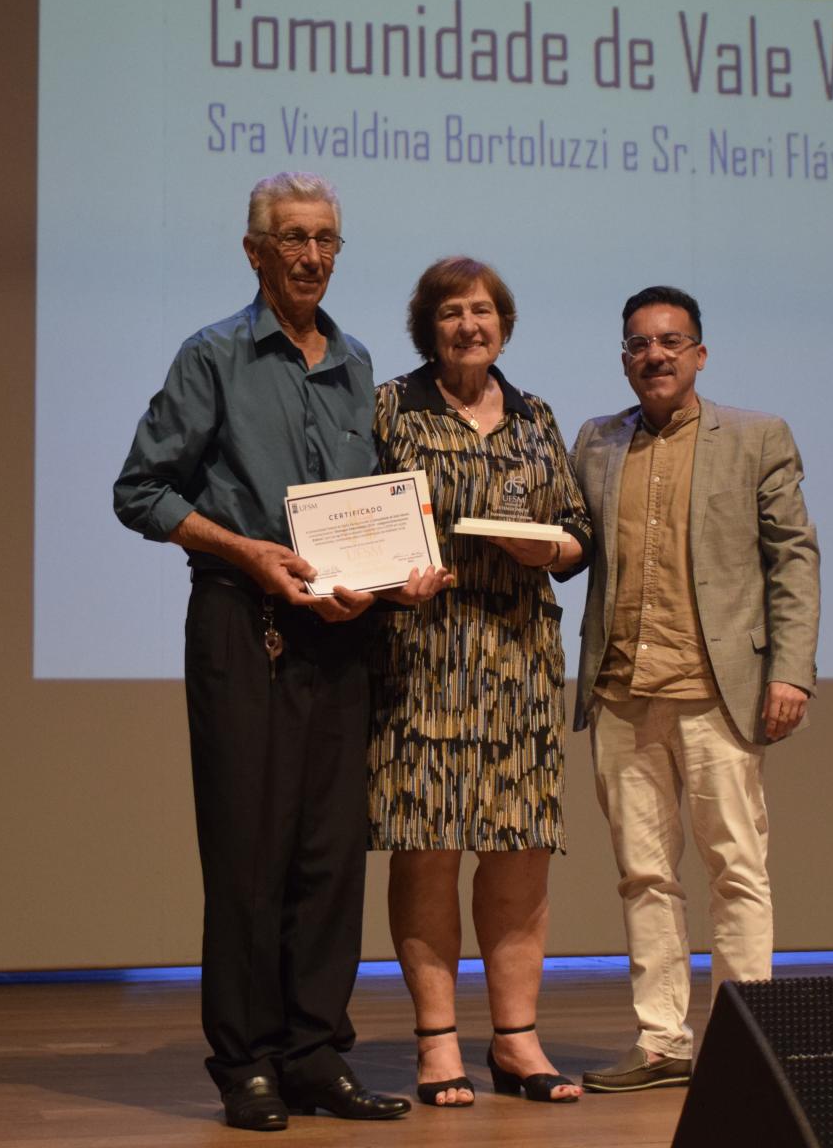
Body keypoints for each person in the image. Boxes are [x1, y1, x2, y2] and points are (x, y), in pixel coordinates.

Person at [112, 172, 412, 1132]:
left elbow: (364, 507)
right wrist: (246, 550)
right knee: (249, 855)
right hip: (247, 625)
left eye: (325, 238)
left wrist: (391, 567)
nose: (312, 255)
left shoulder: (360, 362)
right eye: (292, 239)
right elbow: (141, 492)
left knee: (331, 859)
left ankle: (316, 1055)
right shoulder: (212, 356)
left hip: (343, 635)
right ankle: (245, 1063)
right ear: (255, 253)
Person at [565, 286, 820, 1094]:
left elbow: (794, 560)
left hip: (720, 691)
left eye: (671, 341)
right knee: (644, 875)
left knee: (736, 870)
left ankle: (748, 1044)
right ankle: (663, 1038)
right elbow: (574, 549)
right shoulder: (596, 442)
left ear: (700, 354)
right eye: (639, 344)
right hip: (622, 692)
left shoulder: (756, 437)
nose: (655, 355)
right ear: (624, 359)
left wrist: (790, 671)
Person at [367, 257, 591, 1108]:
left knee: (520, 853)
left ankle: (516, 1040)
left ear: (505, 323)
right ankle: (436, 1042)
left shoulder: (534, 414)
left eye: (485, 310)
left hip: (520, 663)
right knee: (428, 849)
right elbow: (354, 509)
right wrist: (392, 573)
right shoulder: (391, 405)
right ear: (428, 325)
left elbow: (574, 530)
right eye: (454, 311)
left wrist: (553, 549)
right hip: (423, 656)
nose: (471, 324)